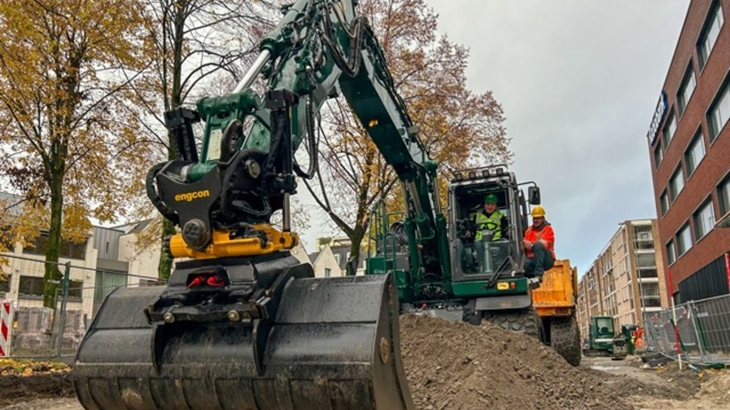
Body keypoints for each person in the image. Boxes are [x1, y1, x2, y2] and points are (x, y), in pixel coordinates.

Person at [523, 205, 555, 277]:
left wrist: (530, 244)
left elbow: (544, 243)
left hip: (546, 260)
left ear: (543, 218)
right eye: (534, 218)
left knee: (537, 245)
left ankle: (539, 274)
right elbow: (524, 240)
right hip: (533, 259)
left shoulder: (548, 229)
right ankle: (532, 278)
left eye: (538, 218)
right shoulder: (529, 230)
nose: (535, 220)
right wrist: (525, 243)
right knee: (522, 264)